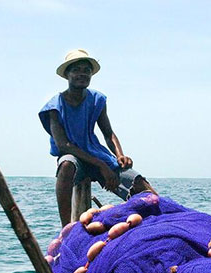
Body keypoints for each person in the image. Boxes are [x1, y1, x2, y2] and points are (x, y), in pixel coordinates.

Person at [39, 49, 156, 226]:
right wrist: (102, 166)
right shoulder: (54, 106)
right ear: (67, 75)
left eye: (86, 70)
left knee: (141, 186)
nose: (82, 74)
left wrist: (119, 155)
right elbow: (64, 145)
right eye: (76, 70)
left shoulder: (97, 100)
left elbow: (108, 133)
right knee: (66, 165)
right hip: (74, 157)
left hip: (95, 153)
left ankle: (161, 220)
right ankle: (67, 230)